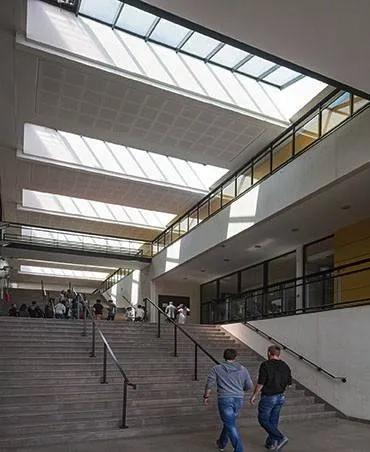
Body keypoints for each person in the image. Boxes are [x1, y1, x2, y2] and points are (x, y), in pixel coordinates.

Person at [203, 348, 253, 452]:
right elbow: (249, 385)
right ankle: (221, 443)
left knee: (230, 424)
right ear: (235, 357)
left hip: (225, 399)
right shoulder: (243, 369)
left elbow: (210, 384)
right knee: (230, 421)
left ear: (224, 356)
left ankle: (239, 450)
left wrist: (206, 396)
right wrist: (240, 390)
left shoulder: (217, 368)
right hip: (238, 399)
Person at [250, 345, 292, 451]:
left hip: (269, 397)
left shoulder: (265, 365)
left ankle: (280, 438)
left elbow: (261, 383)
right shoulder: (285, 366)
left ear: (269, 353)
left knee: (262, 419)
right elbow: (289, 384)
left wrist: (254, 395)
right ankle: (271, 443)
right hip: (280, 396)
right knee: (273, 420)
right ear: (278, 354)